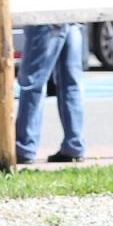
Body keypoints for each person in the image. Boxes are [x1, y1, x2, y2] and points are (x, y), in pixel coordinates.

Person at [13, 23, 88, 164]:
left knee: (32, 83)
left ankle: (24, 147)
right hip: (72, 19)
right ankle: (74, 145)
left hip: (45, 21)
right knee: (71, 83)